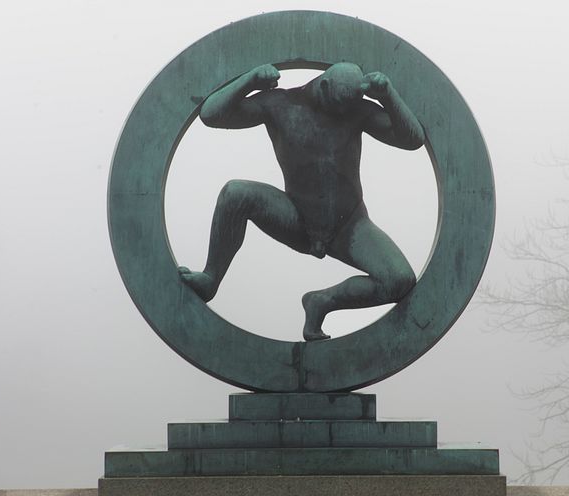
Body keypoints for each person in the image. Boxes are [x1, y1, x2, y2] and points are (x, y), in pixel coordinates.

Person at [179, 62, 425, 341]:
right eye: (339, 106)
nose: (343, 114)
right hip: (295, 216)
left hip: (349, 225)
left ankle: (322, 301)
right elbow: (211, 115)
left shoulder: (357, 110)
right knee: (235, 193)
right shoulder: (278, 103)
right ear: (324, 86)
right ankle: (211, 278)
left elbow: (413, 139)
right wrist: (249, 80)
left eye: (350, 107)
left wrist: (388, 94)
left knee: (400, 280)